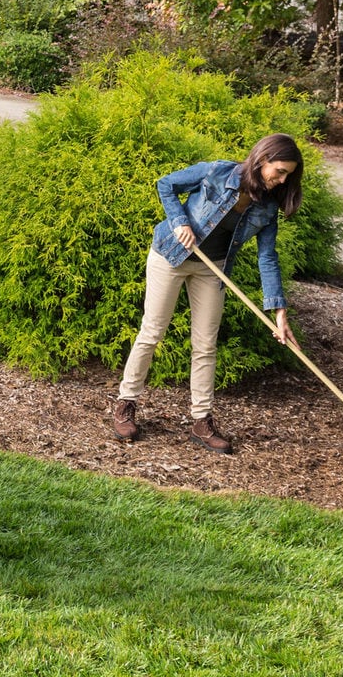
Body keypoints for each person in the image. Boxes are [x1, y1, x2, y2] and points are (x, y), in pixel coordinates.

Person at [112, 133, 304, 454]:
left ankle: (201, 421)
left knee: (205, 344)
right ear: (262, 160)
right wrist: (179, 222)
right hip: (170, 255)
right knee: (152, 331)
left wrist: (279, 312)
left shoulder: (268, 209)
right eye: (280, 171)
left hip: (210, 268)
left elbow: (267, 257)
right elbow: (166, 184)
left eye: (288, 175)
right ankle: (125, 403)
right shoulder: (216, 171)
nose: (282, 180)